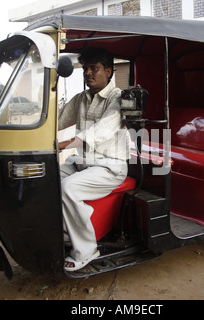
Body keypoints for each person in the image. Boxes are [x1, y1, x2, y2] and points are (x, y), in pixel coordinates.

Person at [58, 47, 130, 271]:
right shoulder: (81, 98)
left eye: (94, 68)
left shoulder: (119, 98)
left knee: (68, 187)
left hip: (109, 167)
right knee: (48, 176)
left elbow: (98, 133)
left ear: (108, 71)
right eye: (85, 68)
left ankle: (87, 249)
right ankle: (67, 230)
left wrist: (59, 145)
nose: (88, 73)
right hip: (83, 164)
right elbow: (58, 121)